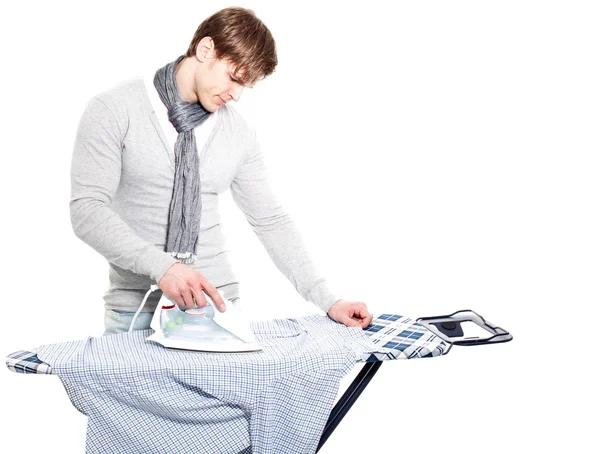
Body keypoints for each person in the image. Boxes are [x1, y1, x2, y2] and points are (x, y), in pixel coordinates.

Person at [70, 6, 373, 335]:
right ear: (205, 50)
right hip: (135, 307)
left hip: (217, 307)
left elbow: (270, 220)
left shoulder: (238, 132)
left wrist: (328, 299)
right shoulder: (114, 109)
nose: (237, 95)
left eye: (247, 86)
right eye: (234, 78)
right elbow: (87, 210)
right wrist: (163, 267)